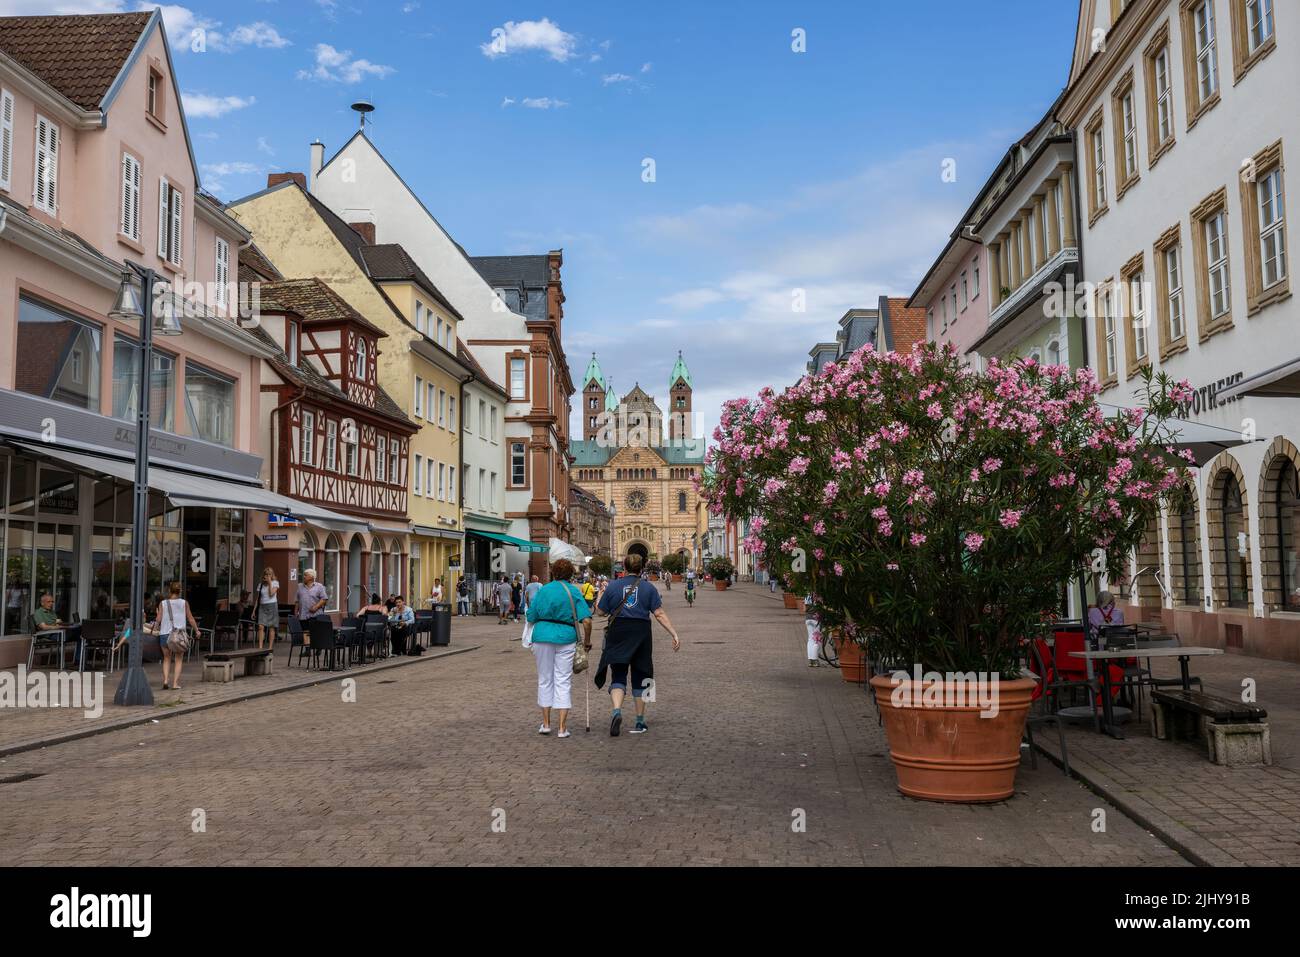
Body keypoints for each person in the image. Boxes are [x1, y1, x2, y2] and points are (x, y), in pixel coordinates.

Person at [594, 548, 681, 736]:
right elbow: (658, 613)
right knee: (642, 674)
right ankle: (640, 721)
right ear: (641, 569)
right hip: (641, 632)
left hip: (618, 631)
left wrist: (601, 593)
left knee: (618, 673)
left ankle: (617, 711)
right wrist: (673, 633)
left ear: (623, 568)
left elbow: (600, 612)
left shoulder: (613, 586)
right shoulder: (649, 588)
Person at [525, 557, 592, 738]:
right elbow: (586, 620)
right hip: (566, 637)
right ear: (571, 574)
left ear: (553, 573)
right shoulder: (573, 591)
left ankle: (546, 724)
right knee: (563, 680)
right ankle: (562, 728)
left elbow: (531, 616)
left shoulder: (543, 590)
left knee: (545, 679)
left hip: (542, 636)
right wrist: (587, 641)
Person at [155, 582, 197, 691]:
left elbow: (158, 619)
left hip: (164, 634)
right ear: (180, 591)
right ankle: (175, 684)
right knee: (178, 659)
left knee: (166, 658)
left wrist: (155, 627)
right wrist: (197, 630)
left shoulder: (163, 603)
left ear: (169, 591)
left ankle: (165, 681)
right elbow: (190, 618)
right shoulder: (184, 603)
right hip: (178, 635)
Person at [256, 568, 280, 649]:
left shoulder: (275, 583)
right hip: (262, 606)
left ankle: (270, 648)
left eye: (269, 574)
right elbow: (258, 598)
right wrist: (253, 611)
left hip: (272, 605)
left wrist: (270, 583)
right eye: (266, 574)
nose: (268, 576)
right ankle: (260, 647)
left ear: (272, 575)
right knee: (260, 626)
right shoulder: (261, 584)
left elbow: (271, 594)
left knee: (271, 627)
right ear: (264, 575)